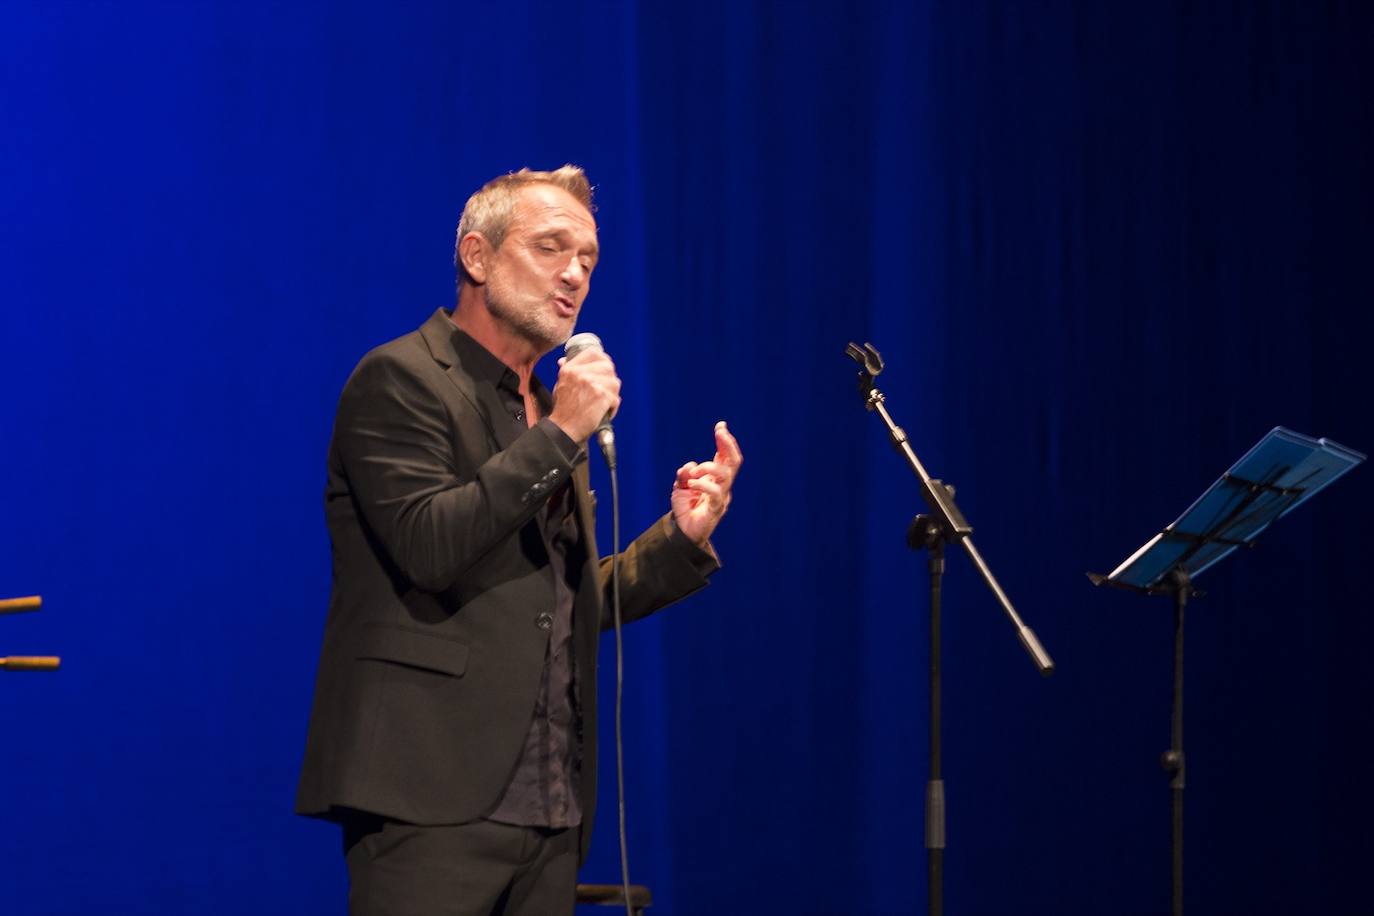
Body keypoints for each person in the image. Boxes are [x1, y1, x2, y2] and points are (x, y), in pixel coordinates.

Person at [295, 165, 741, 916]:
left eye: (589, 261)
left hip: (552, 811)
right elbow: (429, 547)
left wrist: (678, 540)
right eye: (551, 248)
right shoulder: (400, 379)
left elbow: (557, 605)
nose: (574, 275)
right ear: (477, 256)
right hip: (429, 797)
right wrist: (566, 430)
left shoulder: (541, 408)